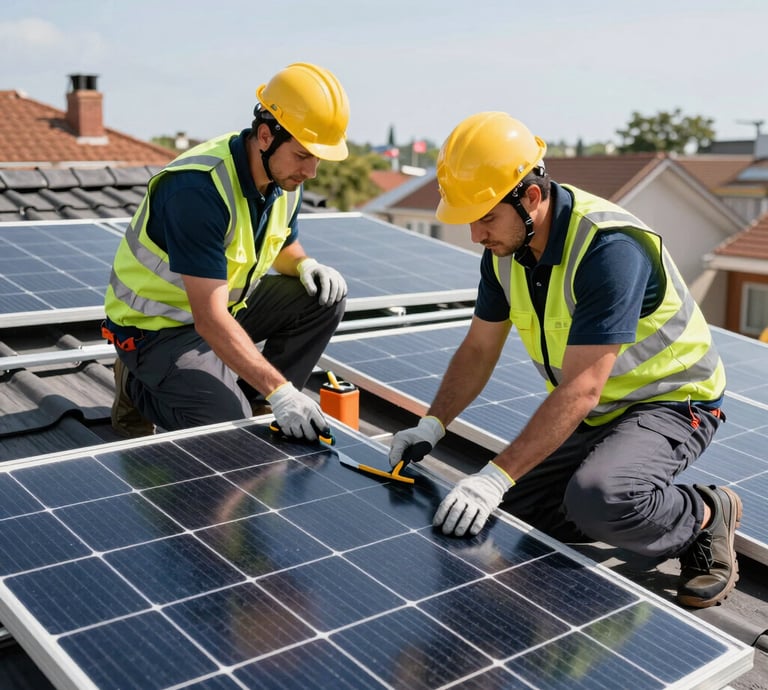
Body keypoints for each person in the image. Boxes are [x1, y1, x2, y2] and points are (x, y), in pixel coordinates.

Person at [390, 111, 742, 609]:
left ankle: (702, 517)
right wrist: (431, 425)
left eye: (486, 216)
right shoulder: (505, 252)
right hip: (601, 409)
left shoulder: (609, 250)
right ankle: (625, 496)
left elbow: (581, 388)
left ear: (531, 197)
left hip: (671, 401)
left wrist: (493, 476)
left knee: (598, 497)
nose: (475, 234)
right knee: (513, 510)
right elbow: (478, 349)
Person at [103, 62, 349, 441]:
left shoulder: (283, 179)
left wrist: (305, 264)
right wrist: (283, 390)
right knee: (224, 426)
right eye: (303, 155)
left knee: (323, 298)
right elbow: (208, 318)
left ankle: (257, 403)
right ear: (266, 136)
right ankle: (137, 388)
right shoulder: (198, 189)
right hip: (159, 330)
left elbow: (282, 244)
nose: (312, 171)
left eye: (319, 158)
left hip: (227, 309)